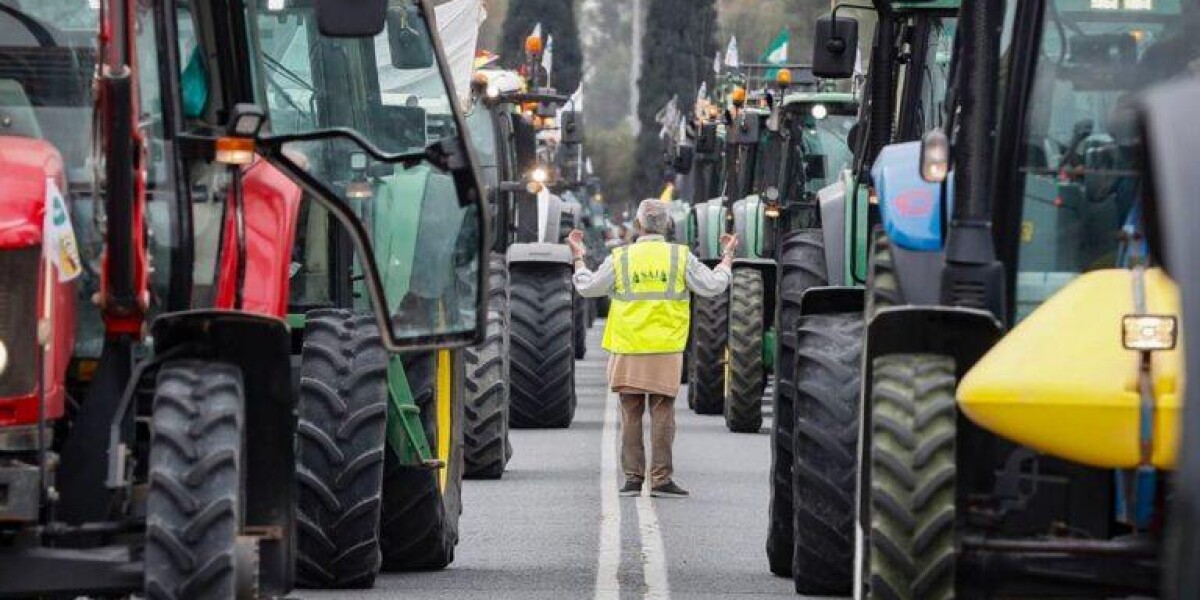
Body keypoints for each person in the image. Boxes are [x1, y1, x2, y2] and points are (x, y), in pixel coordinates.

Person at [568, 199, 737, 498]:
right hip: (666, 345)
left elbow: (588, 288)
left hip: (628, 345)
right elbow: (712, 286)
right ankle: (661, 479)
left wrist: (579, 260)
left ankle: (633, 479)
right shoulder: (680, 256)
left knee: (630, 412)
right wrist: (727, 259)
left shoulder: (620, 257)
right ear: (668, 225)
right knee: (662, 412)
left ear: (637, 225)